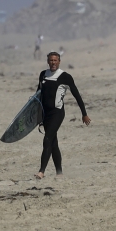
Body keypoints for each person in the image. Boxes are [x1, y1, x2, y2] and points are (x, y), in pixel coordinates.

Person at [35, 51, 90, 179]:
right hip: (45, 113)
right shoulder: (43, 74)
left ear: (59, 61)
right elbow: (38, 94)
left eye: (55, 60)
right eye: (51, 60)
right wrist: (36, 114)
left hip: (57, 113)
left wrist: (84, 114)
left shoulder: (65, 76)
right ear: (48, 61)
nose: (53, 63)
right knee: (53, 142)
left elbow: (77, 95)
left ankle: (41, 171)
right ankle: (59, 172)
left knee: (47, 139)